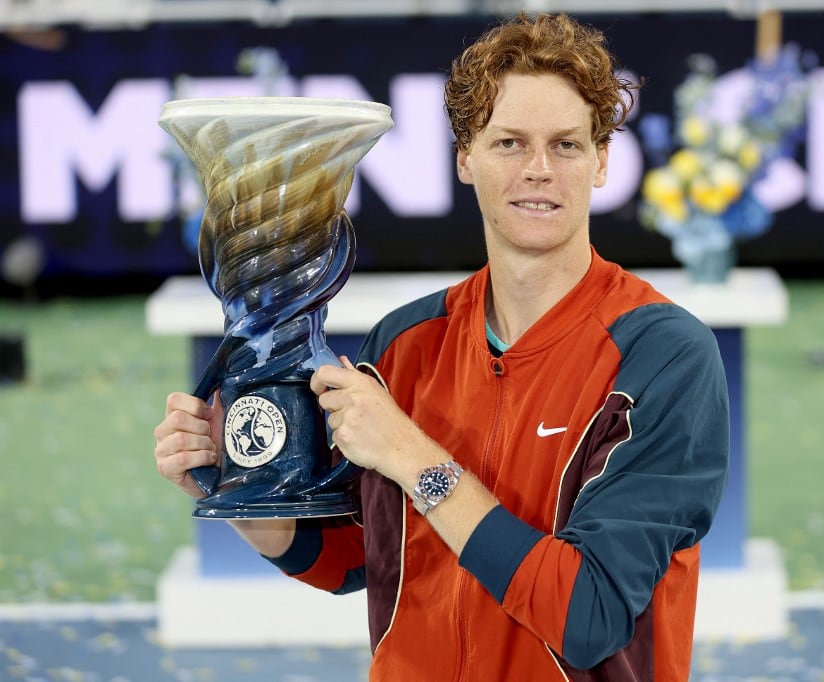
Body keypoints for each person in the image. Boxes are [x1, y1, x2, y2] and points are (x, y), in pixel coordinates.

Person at [153, 12, 729, 681]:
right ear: (465, 157)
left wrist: (410, 454)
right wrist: (244, 486)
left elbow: (590, 613)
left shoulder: (662, 356)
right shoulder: (405, 344)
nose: (538, 169)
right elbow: (360, 557)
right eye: (509, 143)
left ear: (602, 160)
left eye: (566, 145)